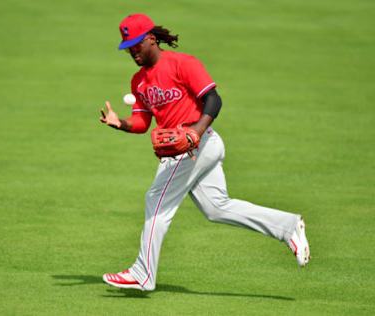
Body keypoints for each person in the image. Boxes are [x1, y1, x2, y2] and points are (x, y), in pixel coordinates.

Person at [99, 13, 310, 291]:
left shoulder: (182, 64)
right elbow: (142, 122)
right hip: (186, 150)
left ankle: (142, 272)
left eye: (137, 44)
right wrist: (121, 124)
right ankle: (288, 226)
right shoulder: (138, 81)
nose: (133, 51)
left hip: (198, 145)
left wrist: (195, 132)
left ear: (151, 39)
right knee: (216, 207)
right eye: (129, 47)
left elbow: (213, 99)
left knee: (156, 201)